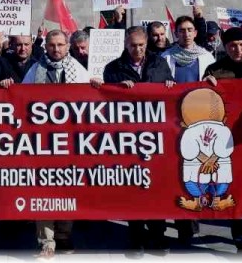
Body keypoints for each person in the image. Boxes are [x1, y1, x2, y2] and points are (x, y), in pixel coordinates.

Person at [93, 26, 175, 255]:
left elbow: (170, 93)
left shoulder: (160, 64)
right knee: (133, 189)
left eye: (140, 45)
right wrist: (116, 88)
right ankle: (136, 238)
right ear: (125, 45)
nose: (137, 49)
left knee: (157, 188)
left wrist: (170, 86)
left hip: (156, 136)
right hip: (128, 138)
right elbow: (106, 97)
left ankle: (158, 236)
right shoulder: (114, 68)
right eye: (132, 46)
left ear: (146, 44)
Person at [202, 27, 242, 254]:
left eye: (241, 45)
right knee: (237, 188)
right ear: (225, 48)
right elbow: (204, 100)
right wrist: (206, 82)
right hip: (228, 139)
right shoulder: (216, 70)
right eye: (232, 46)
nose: (237, 49)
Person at [23, 29, 87, 258]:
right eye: (52, 45)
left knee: (67, 188)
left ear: (68, 46)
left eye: (60, 45)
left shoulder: (79, 72)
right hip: (41, 142)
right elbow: (20, 101)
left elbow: (90, 104)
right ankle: (46, 242)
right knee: (44, 190)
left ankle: (64, 234)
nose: (56, 49)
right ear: (45, 47)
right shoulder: (35, 71)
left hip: (70, 142)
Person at [162, 15, 215, 84]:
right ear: (176, 34)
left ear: (195, 33)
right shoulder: (165, 57)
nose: (186, 34)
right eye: (182, 31)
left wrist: (210, 78)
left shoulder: (207, 57)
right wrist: (164, 81)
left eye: (190, 30)